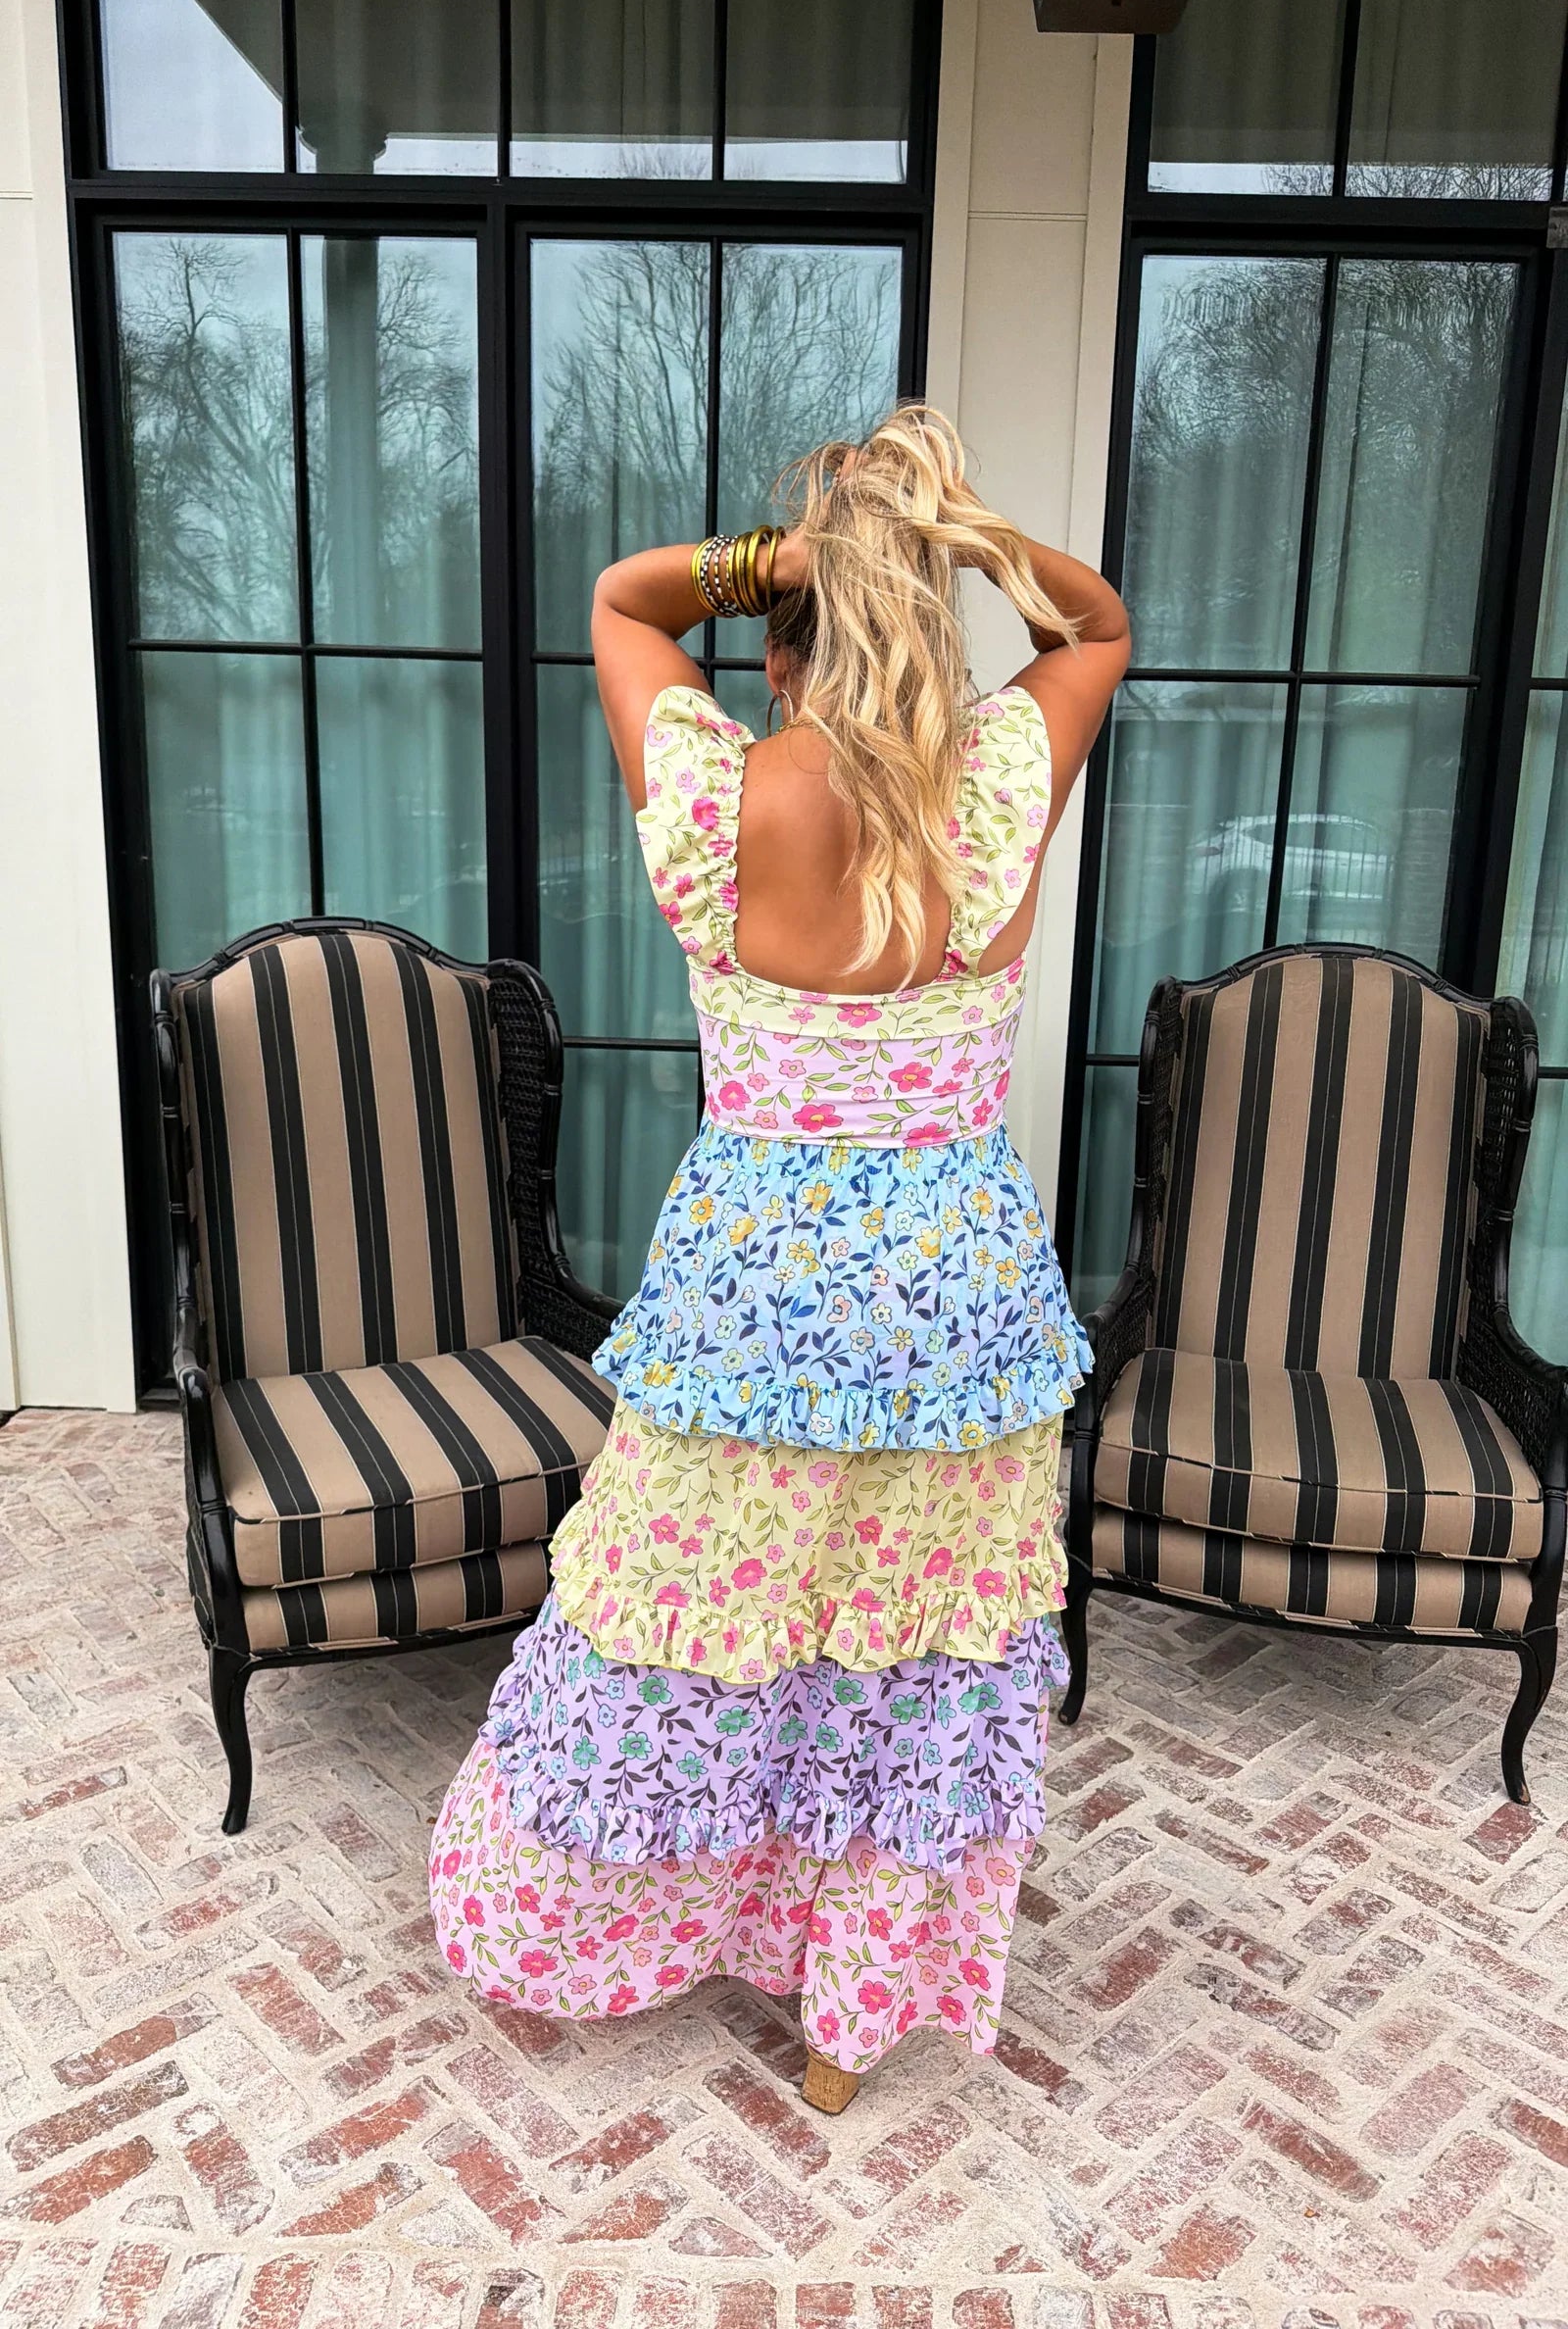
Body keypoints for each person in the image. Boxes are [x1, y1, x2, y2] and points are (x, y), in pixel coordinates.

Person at [429, 404, 1131, 2111]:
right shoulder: (1006, 781)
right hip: (955, 1298)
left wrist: (786, 554)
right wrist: (948, 544)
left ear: (781, 638)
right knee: (907, 1655)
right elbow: (1098, 623)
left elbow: (618, 601)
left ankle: (667, 1926)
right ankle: (848, 2014)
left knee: (696, 1617)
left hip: (758, 1292)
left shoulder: (722, 787)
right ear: (927, 620)